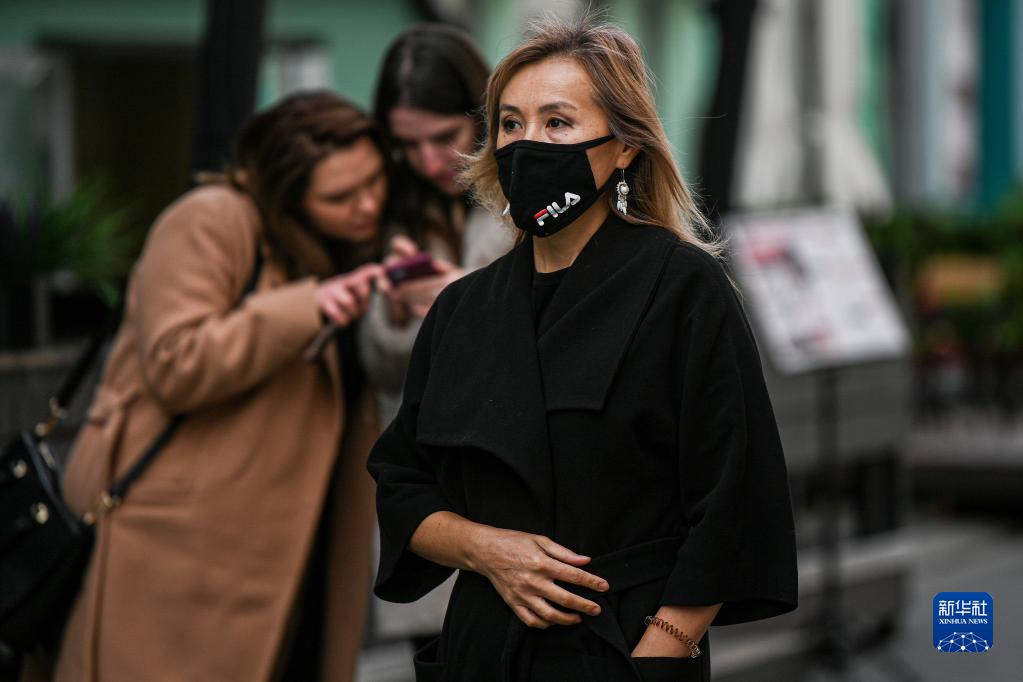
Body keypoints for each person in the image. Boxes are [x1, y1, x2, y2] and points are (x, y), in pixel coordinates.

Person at [367, 18, 798, 682]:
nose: (528, 144)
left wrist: (659, 654)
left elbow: (732, 499)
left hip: (620, 649)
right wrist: (485, 550)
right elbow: (401, 486)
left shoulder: (681, 287)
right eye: (511, 123)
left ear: (624, 146)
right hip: (482, 652)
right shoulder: (461, 308)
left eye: (558, 123)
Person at [38, 91, 389, 682]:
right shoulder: (212, 219)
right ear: (284, 191)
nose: (368, 205)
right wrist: (307, 306)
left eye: (375, 181)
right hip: (181, 545)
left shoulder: (341, 244)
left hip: (296, 538)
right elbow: (176, 362)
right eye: (340, 196)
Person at [359, 24, 512, 648]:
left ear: (483, 116)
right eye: (407, 144)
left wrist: (464, 298)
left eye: (445, 136)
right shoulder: (389, 207)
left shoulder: (528, 193)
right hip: (431, 487)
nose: (428, 161)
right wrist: (397, 314)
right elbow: (380, 371)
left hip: (517, 479)